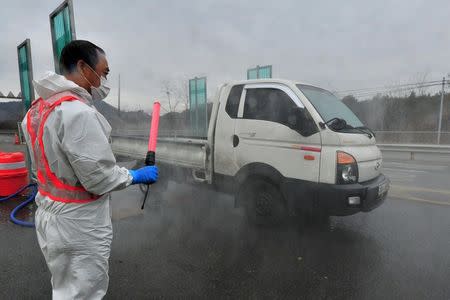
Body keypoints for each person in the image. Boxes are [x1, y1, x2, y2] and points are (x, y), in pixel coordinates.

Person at [21, 40, 157, 300]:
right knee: (84, 292)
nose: (105, 79)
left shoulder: (38, 110)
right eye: (104, 72)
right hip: (78, 223)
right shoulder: (78, 114)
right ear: (83, 67)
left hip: (50, 213)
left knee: (63, 287)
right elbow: (99, 177)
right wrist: (134, 175)